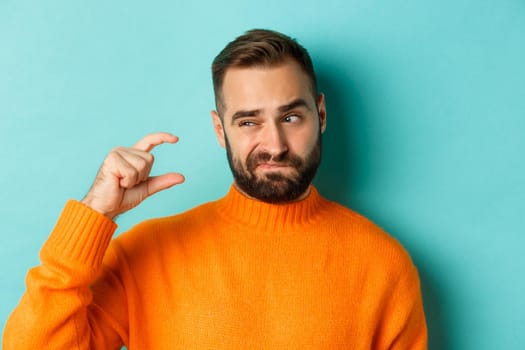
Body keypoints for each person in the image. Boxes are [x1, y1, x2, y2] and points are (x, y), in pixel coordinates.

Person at [3, 29, 427, 349]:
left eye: (291, 117)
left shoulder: (382, 265)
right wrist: (94, 215)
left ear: (320, 114)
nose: (274, 145)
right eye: (248, 122)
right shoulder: (146, 256)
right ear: (219, 130)